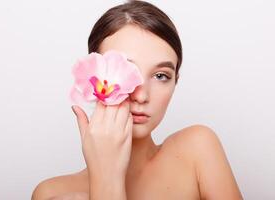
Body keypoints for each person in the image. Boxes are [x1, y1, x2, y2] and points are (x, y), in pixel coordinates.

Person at [31, 1, 243, 199]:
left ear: (175, 82)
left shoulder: (197, 150)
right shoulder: (52, 193)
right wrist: (106, 179)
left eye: (161, 76)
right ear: (92, 77)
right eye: (126, 71)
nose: (141, 95)